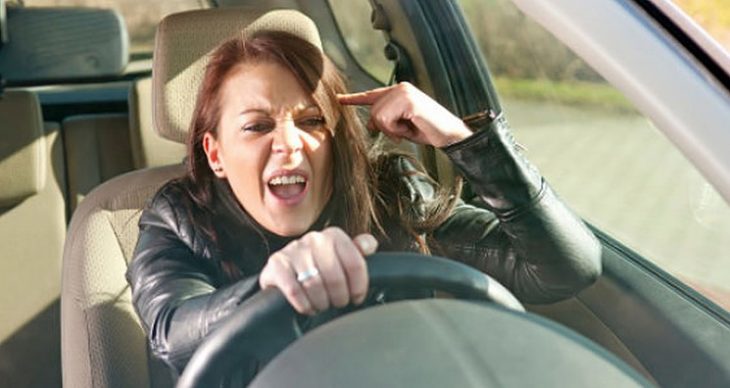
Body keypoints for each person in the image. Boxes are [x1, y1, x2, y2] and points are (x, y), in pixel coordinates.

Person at [126, 30, 601, 378]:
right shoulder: (176, 218)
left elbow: (566, 267)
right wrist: (270, 286)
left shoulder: (390, 193)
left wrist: (462, 138)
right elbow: (173, 331)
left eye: (311, 120)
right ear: (215, 154)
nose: (290, 144)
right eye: (257, 126)